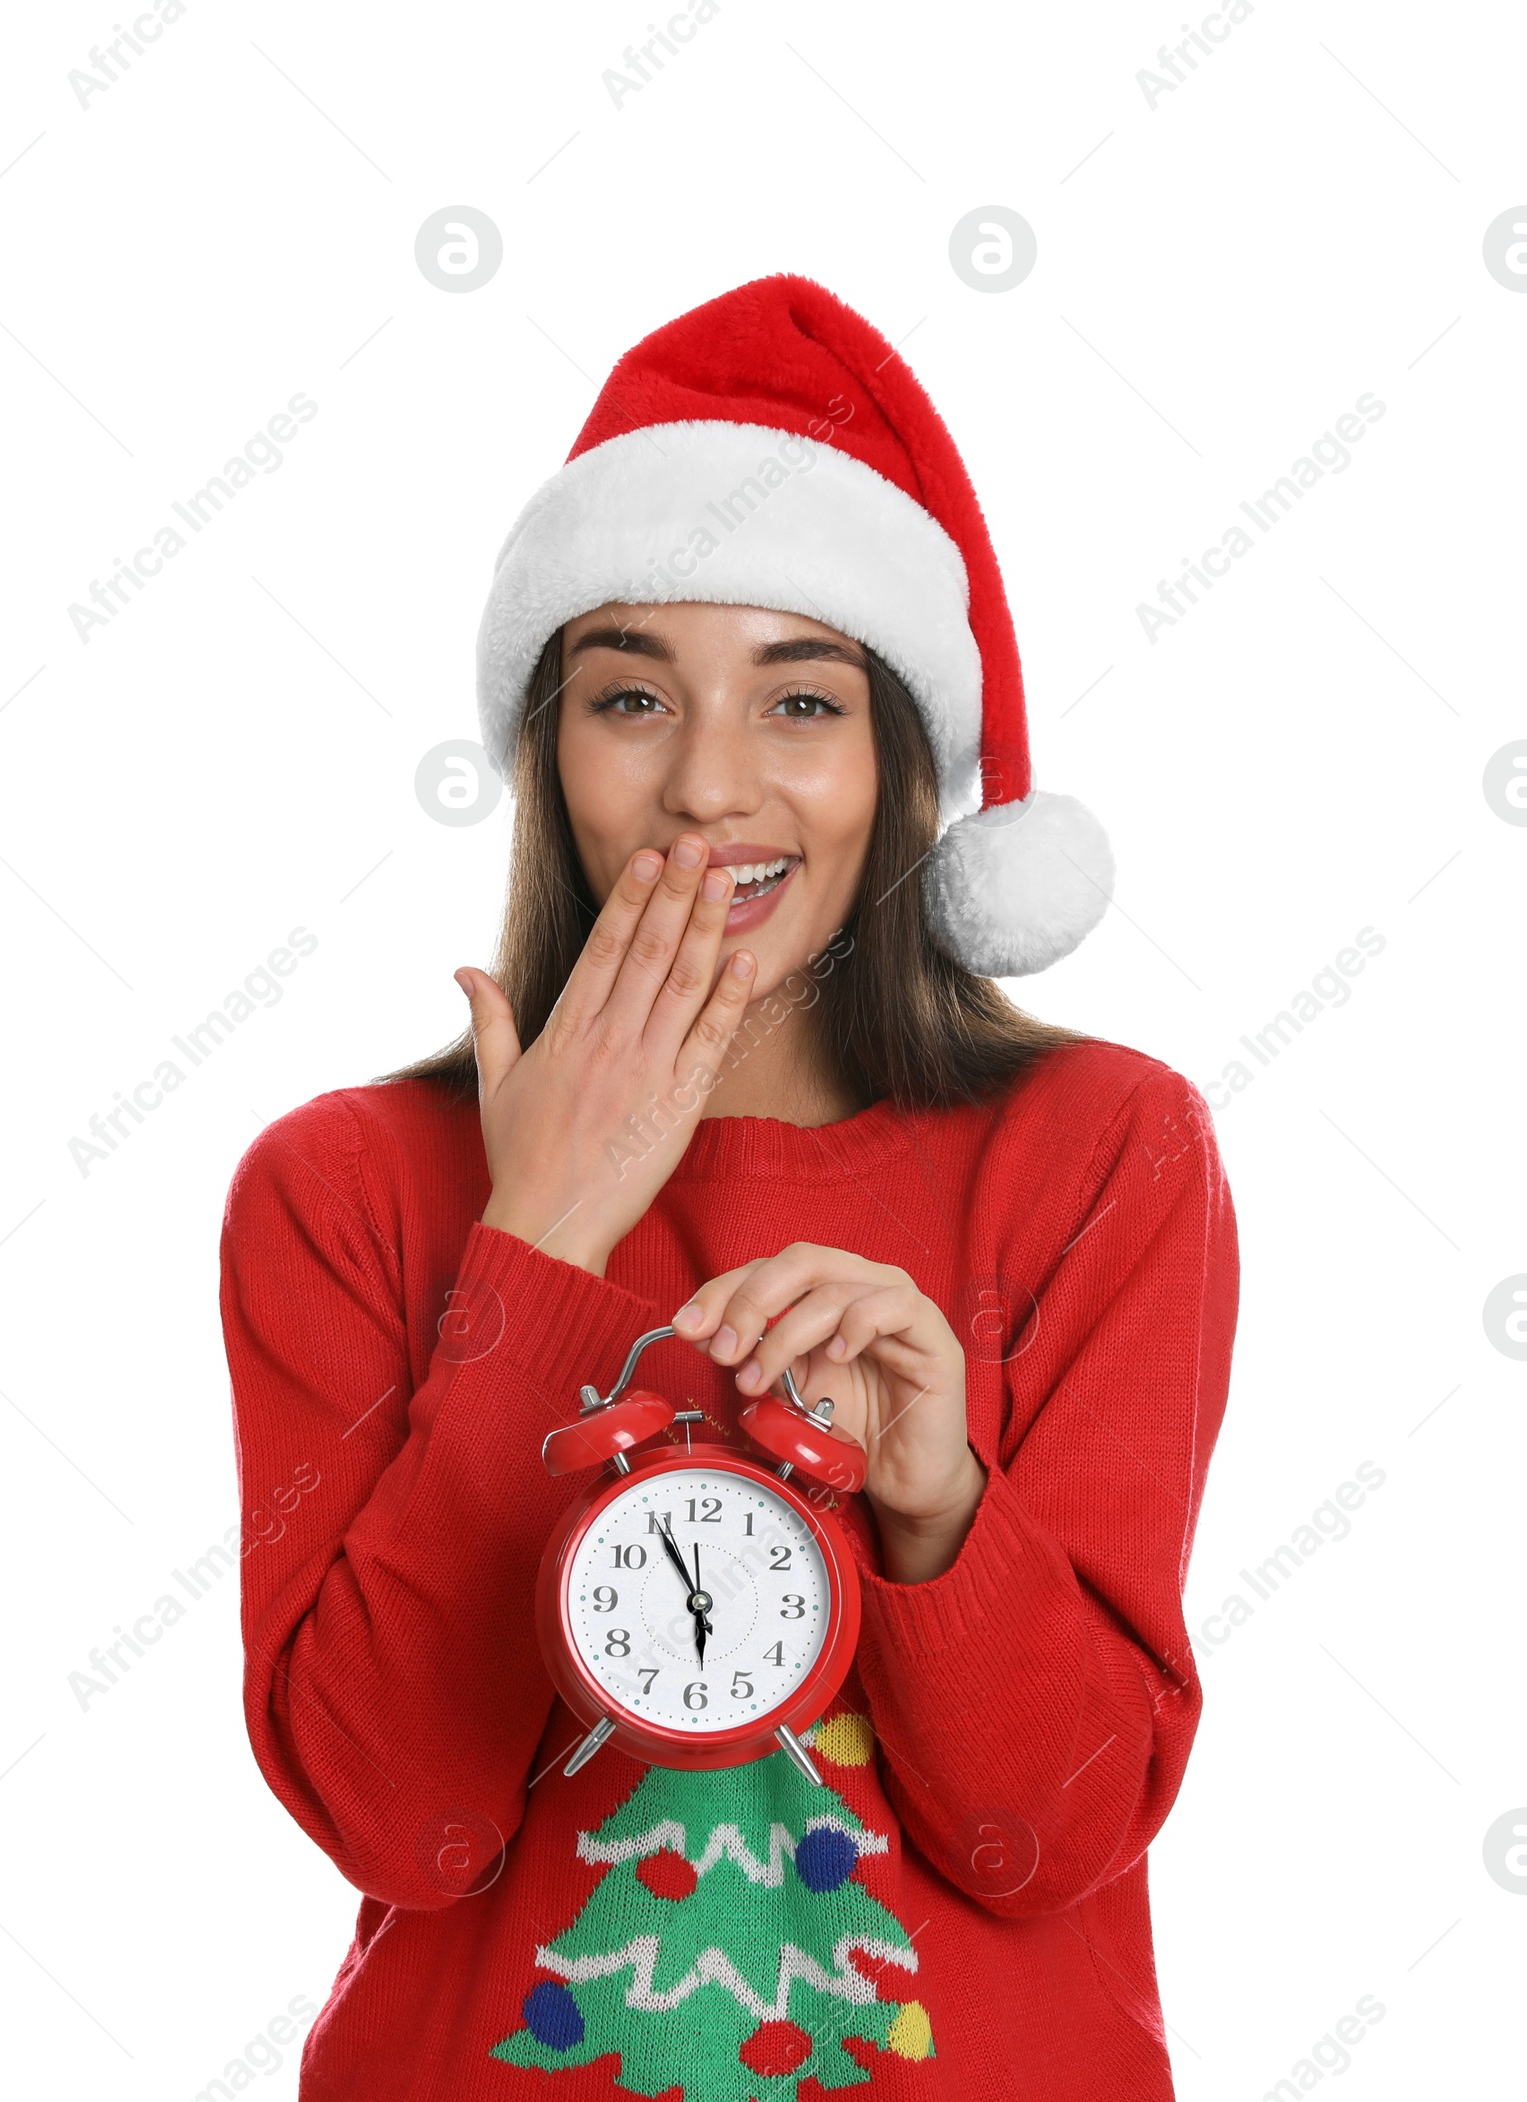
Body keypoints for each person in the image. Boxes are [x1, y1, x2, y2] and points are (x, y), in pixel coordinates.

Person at [219, 275, 1239, 2101]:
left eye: (800, 699)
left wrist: (936, 1499)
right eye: (631, 694)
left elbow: (1053, 1832)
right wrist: (537, 1245)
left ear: (900, 767)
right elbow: (405, 1817)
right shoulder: (346, 1188)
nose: (708, 785)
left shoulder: (1102, 1153)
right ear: (549, 747)